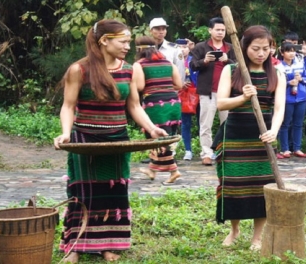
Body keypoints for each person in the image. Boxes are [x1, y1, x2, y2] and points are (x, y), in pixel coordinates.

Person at [53, 19, 167, 263]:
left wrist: (151, 128)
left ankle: (108, 244)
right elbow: (68, 106)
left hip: (118, 139)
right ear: (104, 41)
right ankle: (76, 246)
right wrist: (65, 132)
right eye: (123, 41)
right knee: (83, 192)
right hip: (85, 139)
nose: (128, 46)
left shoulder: (130, 69)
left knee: (113, 191)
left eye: (129, 41)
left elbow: (134, 106)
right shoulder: (79, 70)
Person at [214, 25, 286, 250]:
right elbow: (221, 103)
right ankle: (234, 230)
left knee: (261, 187)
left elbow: (279, 108)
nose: (261, 53)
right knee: (234, 185)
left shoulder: (277, 73)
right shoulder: (231, 70)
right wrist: (243, 97)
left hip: (261, 138)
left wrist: (273, 131)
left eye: (266, 48)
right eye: (256, 48)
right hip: (234, 135)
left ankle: (257, 236)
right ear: (244, 47)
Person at [133, 36, 183, 184]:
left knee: (159, 139)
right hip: (173, 103)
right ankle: (152, 169)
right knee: (163, 137)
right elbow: (179, 85)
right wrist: (164, 88)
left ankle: (174, 171)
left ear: (139, 49)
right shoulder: (168, 63)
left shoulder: (139, 64)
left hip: (155, 105)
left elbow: (140, 86)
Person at [190, 17, 236, 165]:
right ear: (210, 30)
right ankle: (206, 153)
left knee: (228, 123)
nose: (220, 32)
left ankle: (226, 151)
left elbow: (238, 66)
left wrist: (226, 60)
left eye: (223, 30)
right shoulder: (201, 47)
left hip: (227, 92)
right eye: (217, 29)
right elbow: (193, 66)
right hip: (207, 91)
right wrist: (205, 61)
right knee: (205, 124)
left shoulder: (229, 47)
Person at [277, 42, 306, 158]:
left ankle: (297, 148)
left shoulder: (299, 64)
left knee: (299, 124)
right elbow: (276, 82)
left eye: (293, 51)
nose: (291, 54)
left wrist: (301, 79)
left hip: (300, 97)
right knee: (285, 124)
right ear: (282, 53)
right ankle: (285, 149)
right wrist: (288, 83)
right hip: (286, 98)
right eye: (288, 51)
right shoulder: (279, 66)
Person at [178, 39, 200, 161]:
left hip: (197, 93)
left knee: (201, 122)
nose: (182, 49)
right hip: (183, 94)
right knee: (185, 123)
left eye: (184, 47)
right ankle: (188, 150)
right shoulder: (174, 61)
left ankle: (205, 149)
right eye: (179, 47)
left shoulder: (194, 60)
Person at [148, 17, 185, 83]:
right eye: (158, 29)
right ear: (150, 31)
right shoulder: (146, 48)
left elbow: (180, 70)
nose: (161, 32)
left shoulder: (174, 49)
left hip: (169, 87)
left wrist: (178, 87)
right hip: (150, 87)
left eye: (163, 29)